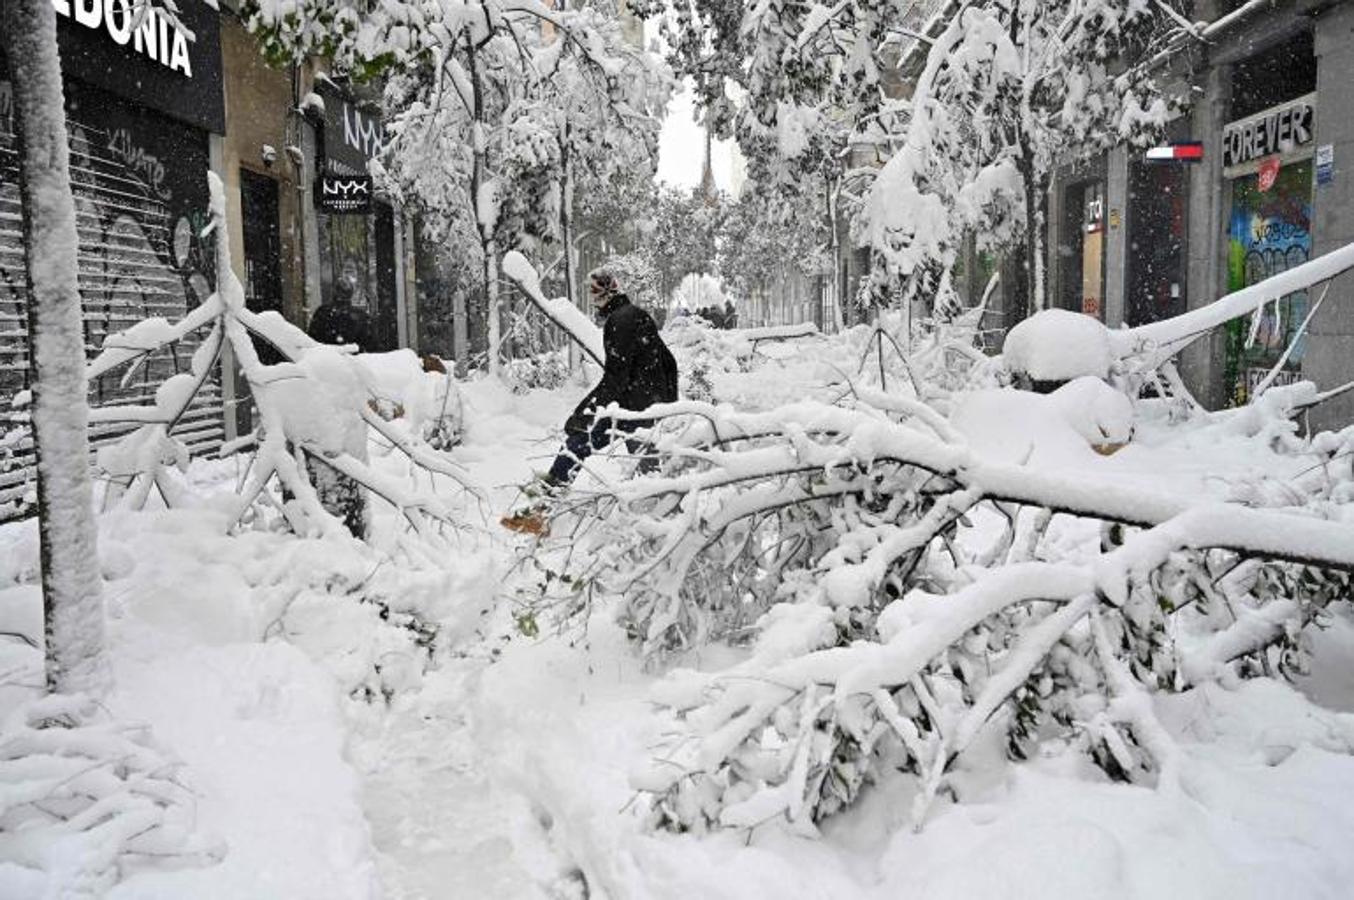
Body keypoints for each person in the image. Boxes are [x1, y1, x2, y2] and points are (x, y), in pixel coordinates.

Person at [502, 268, 678, 535]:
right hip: (647, 404)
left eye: (595, 292)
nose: (593, 297)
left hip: (631, 407)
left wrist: (583, 412)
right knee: (648, 464)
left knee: (577, 443)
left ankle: (540, 512)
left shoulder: (619, 321)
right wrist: (666, 403)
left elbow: (615, 378)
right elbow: (668, 361)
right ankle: (669, 518)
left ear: (607, 293)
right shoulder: (637, 315)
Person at [308, 261, 371, 351]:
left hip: (327, 359)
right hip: (354, 361)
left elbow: (313, 341)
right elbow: (369, 345)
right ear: (350, 294)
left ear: (334, 292)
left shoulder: (322, 312)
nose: (349, 275)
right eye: (347, 271)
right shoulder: (360, 316)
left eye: (351, 271)